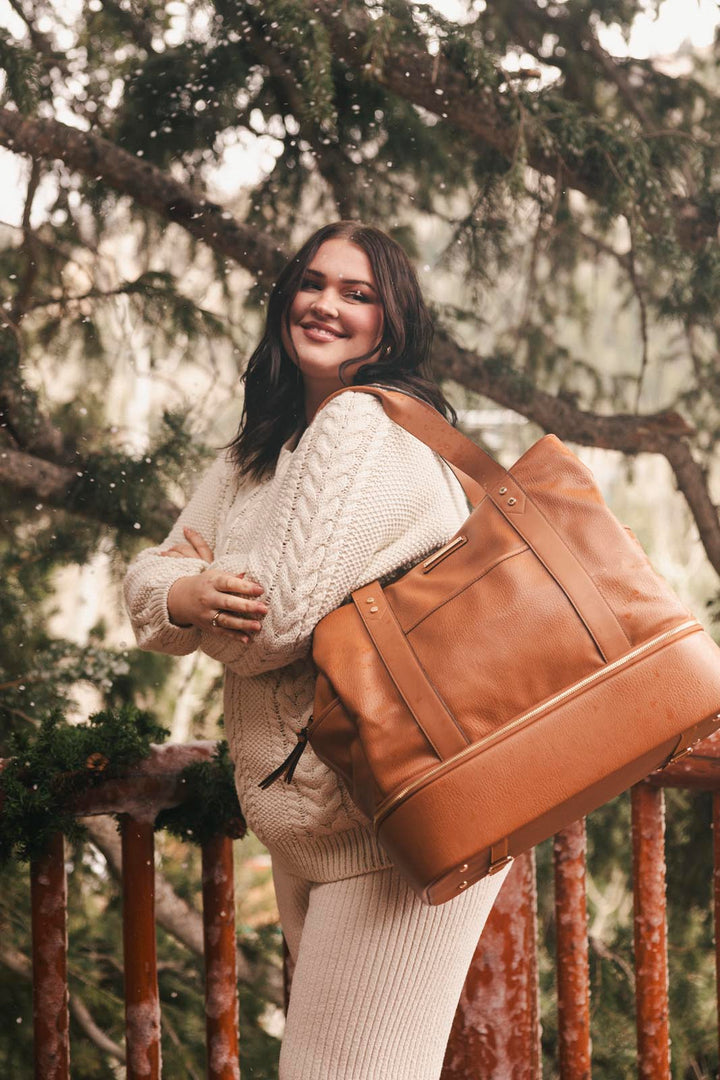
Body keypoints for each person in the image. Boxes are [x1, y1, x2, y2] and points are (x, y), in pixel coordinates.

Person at [123, 221, 509, 1079]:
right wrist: (182, 592)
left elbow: (269, 625)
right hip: (320, 830)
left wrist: (196, 586)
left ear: (392, 322)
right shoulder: (258, 453)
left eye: (358, 294)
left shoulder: (362, 431)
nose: (326, 305)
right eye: (313, 282)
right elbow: (152, 582)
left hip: (395, 826)